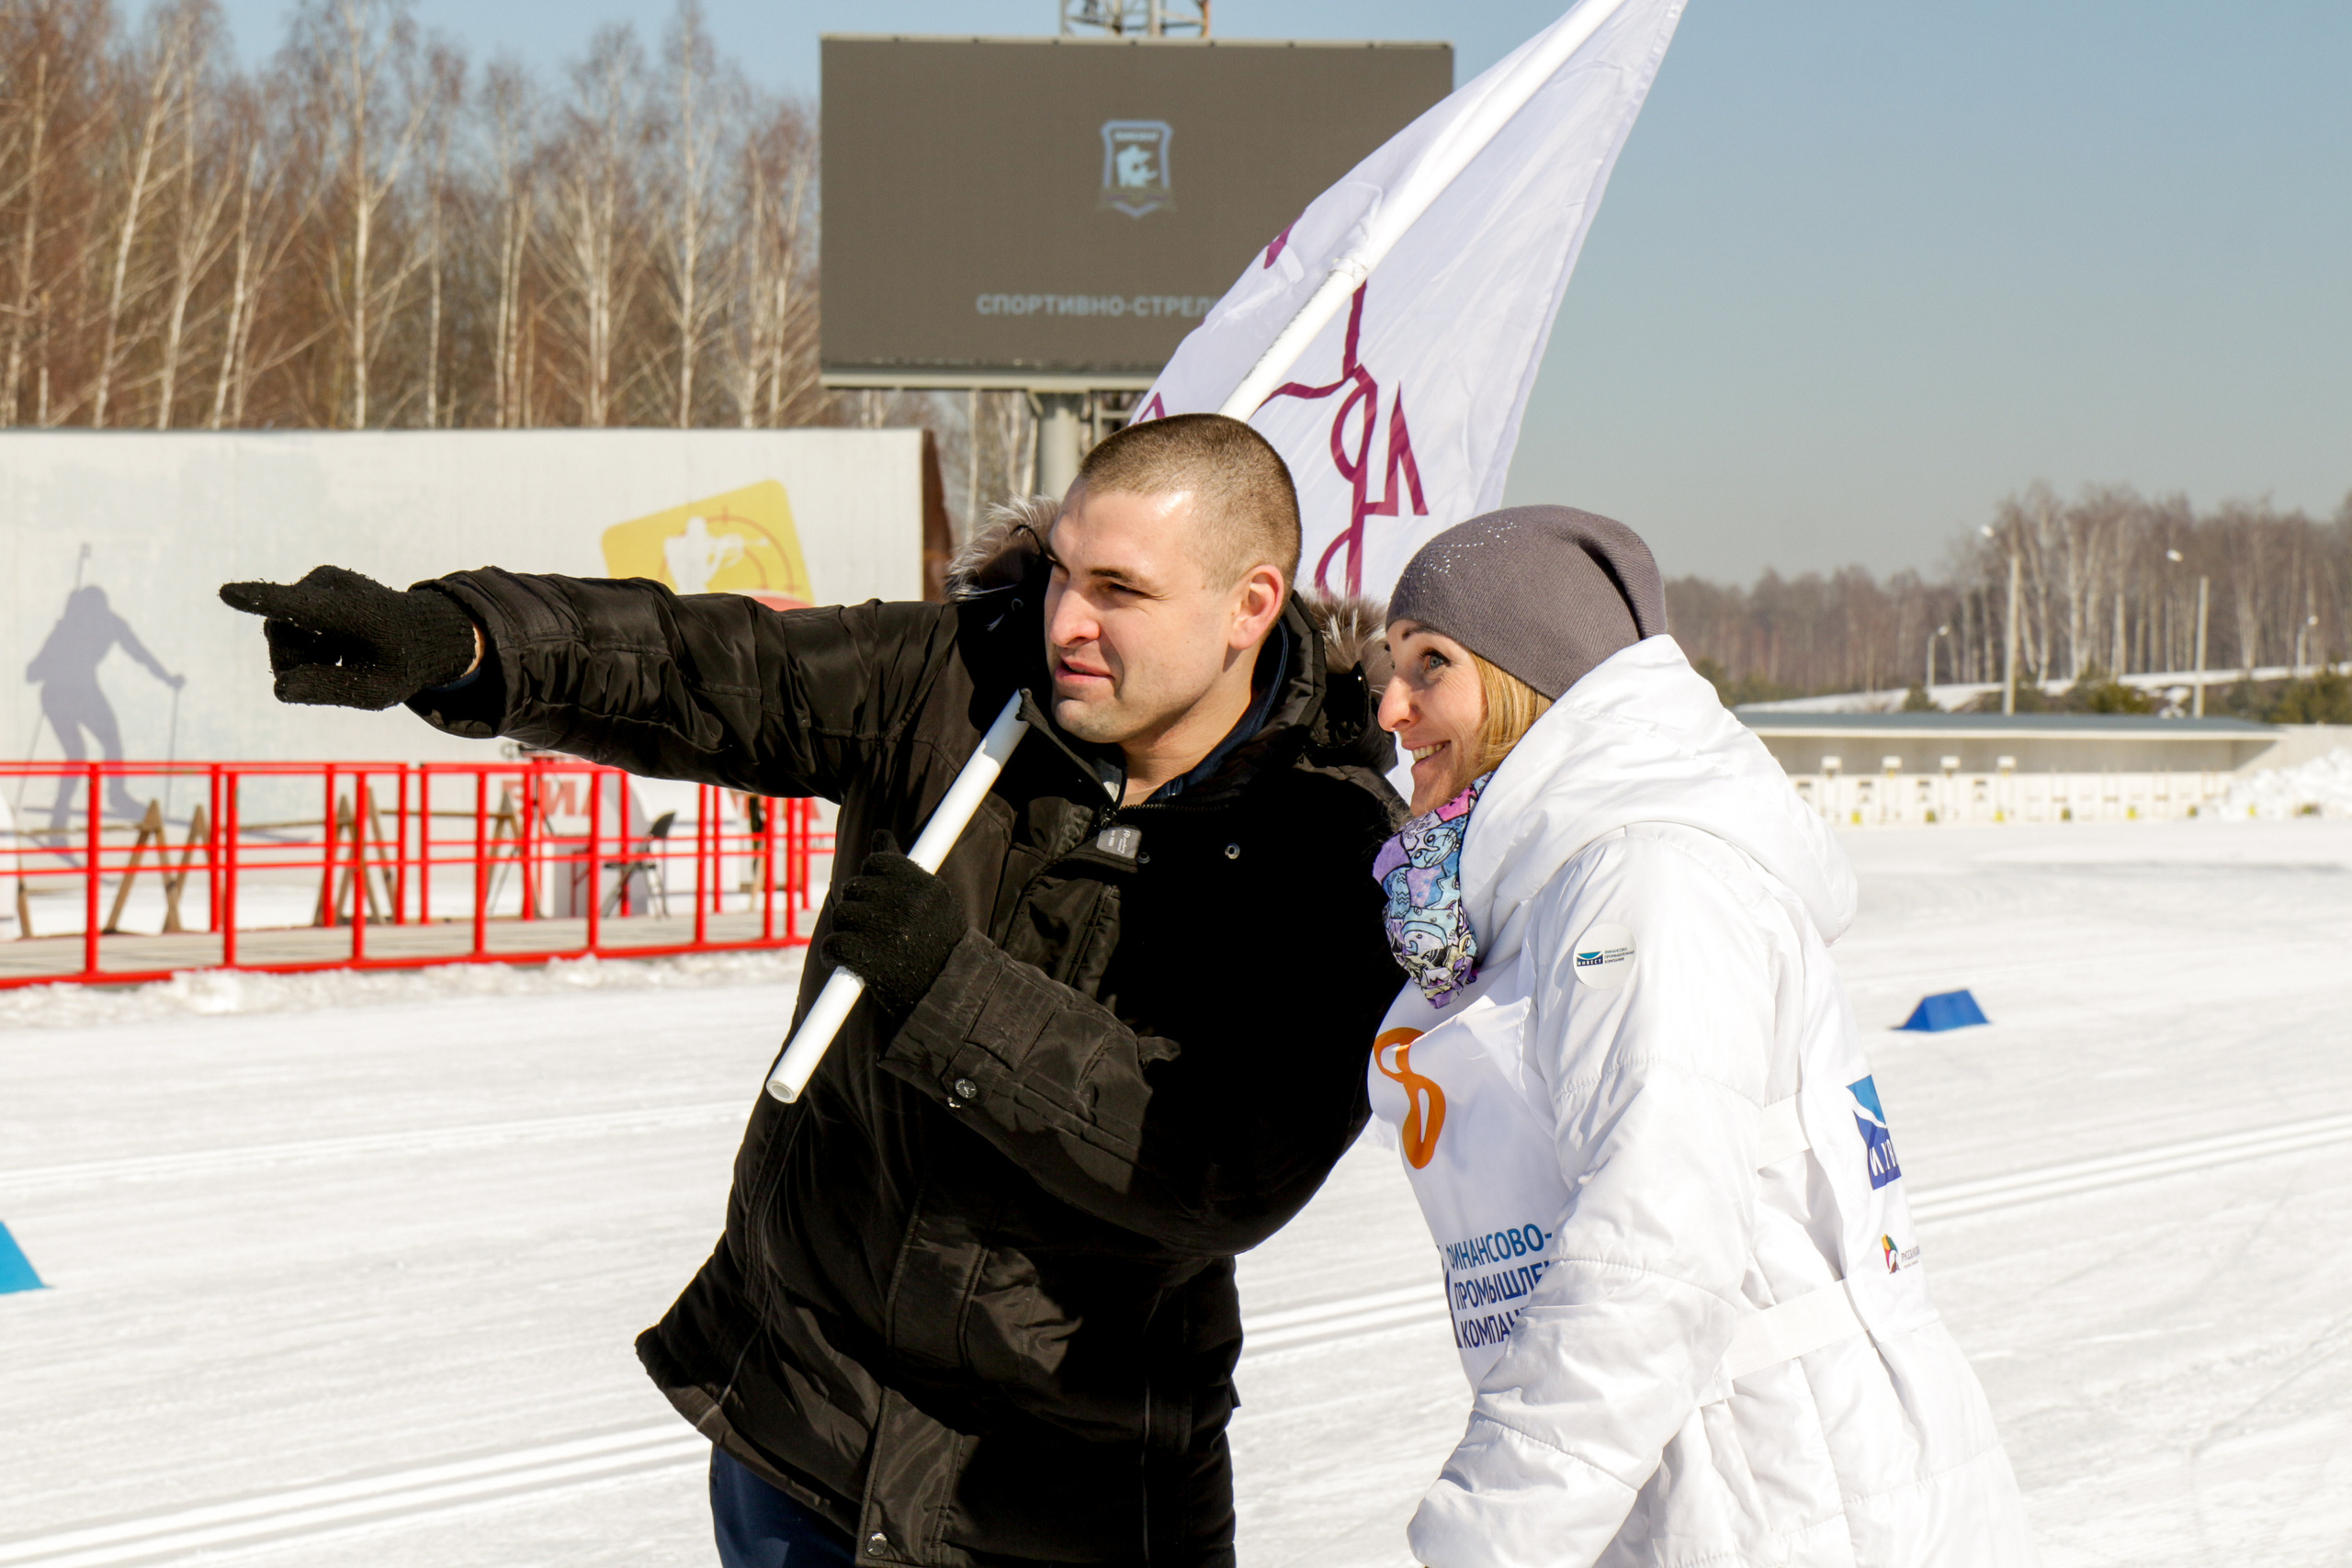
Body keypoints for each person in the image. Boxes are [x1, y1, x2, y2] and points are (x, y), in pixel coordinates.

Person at [218, 413, 1404, 1568]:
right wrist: (470, 641)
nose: (1068, 622)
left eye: (1120, 590)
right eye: (1058, 573)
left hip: (1067, 1497)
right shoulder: (958, 681)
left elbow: (1222, 1167)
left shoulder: (1327, 842)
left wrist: (952, 987)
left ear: (1250, 603)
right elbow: (718, 666)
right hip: (805, 1427)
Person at [1365, 506, 2037, 1565]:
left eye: (1430, 664)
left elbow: (1652, 1251)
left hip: (1789, 1494)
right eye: (1383, 672)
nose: (1392, 708)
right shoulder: (1557, 888)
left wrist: (1491, 1540)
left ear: (1532, 682)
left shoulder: (1644, 880)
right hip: (1712, 1481)